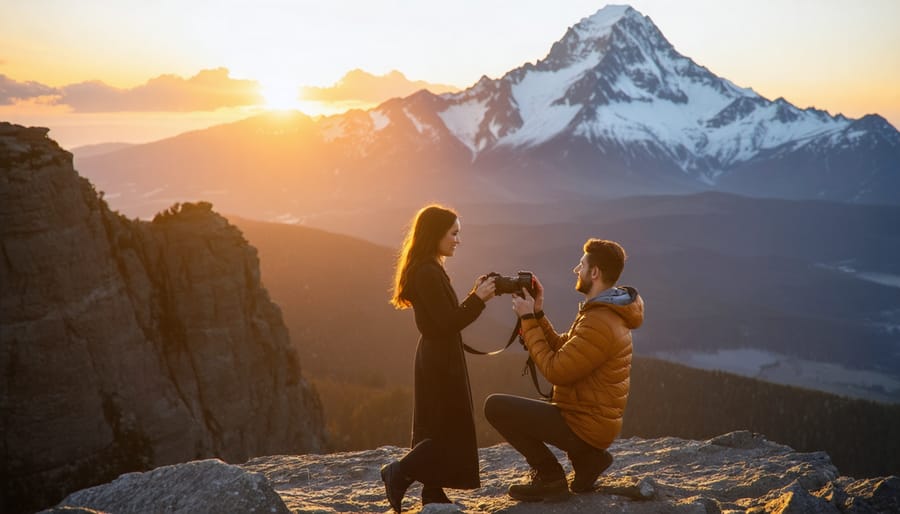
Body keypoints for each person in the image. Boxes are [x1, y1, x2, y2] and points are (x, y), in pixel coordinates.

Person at [484, 238, 644, 501]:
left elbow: (556, 370)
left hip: (584, 424)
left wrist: (526, 319)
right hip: (588, 419)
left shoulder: (600, 321)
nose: (575, 270)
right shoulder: (601, 312)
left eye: (580, 265)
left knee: (495, 407)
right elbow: (565, 350)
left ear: (595, 273)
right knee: (510, 407)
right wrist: (537, 313)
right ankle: (588, 459)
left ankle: (550, 477)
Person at [382, 205, 496, 513]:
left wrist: (474, 295)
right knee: (447, 427)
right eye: (454, 233)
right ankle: (399, 472)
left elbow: (444, 318)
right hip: (439, 359)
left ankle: (432, 493)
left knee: (437, 424)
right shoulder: (427, 271)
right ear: (436, 235)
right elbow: (447, 322)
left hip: (437, 355)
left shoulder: (428, 266)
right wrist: (479, 299)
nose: (458, 240)